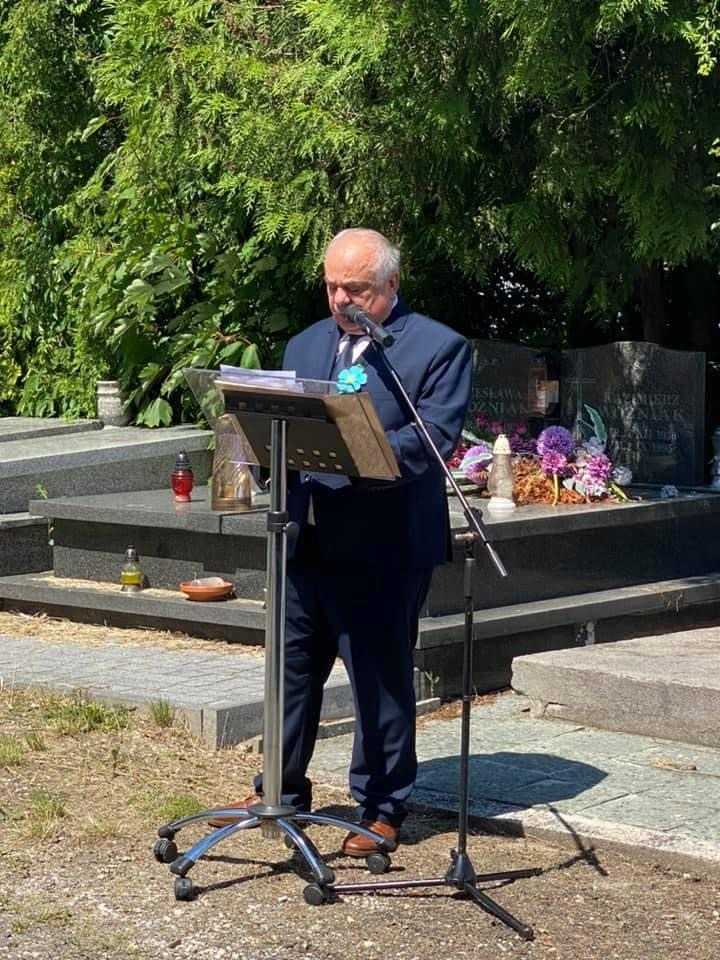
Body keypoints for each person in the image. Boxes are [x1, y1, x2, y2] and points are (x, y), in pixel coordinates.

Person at [211, 228, 472, 855]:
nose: (340, 299)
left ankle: (381, 807)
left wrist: (344, 452)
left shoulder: (436, 348)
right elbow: (276, 424)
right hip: (305, 537)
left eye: (354, 288)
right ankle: (280, 788)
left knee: (378, 678)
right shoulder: (305, 343)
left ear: (390, 285)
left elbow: (430, 441)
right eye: (331, 287)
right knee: (292, 670)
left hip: (383, 546)